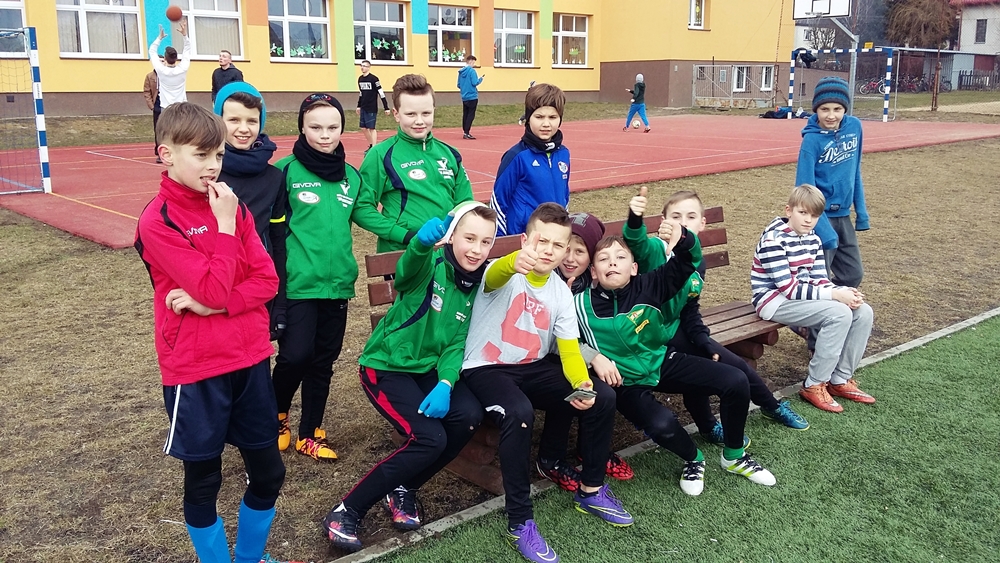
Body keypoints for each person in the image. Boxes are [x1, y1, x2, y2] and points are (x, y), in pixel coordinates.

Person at [134, 102, 284, 563]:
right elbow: (215, 284)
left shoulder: (230, 205)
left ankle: (249, 558)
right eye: (201, 155)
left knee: (269, 473)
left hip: (250, 356)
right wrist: (222, 228)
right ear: (167, 154)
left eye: (217, 155)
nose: (213, 166)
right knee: (204, 482)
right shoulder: (158, 220)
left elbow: (267, 280)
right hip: (197, 369)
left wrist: (212, 304)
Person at [461, 203, 633, 563]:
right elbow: (495, 277)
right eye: (541, 241)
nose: (549, 251)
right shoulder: (503, 268)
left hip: (532, 368)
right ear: (525, 240)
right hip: (487, 368)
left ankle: (591, 490)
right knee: (519, 413)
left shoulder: (560, 292)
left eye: (558, 245)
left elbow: (569, 350)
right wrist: (514, 261)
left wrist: (582, 383)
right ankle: (519, 522)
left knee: (602, 396)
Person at [322, 202, 498, 553]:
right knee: (430, 439)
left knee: (468, 416)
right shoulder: (431, 265)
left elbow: (456, 343)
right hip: (386, 366)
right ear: (451, 237)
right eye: (469, 238)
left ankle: (404, 488)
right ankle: (346, 510)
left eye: (486, 242)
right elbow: (405, 273)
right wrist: (419, 243)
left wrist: (446, 383)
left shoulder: (475, 285)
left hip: (427, 370)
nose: (476, 250)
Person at [622, 190, 810, 434]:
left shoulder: (697, 260)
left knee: (732, 363)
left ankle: (771, 406)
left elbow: (690, 306)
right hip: (646, 334)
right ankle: (709, 426)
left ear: (702, 223)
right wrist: (635, 218)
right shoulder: (655, 250)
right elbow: (636, 243)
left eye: (690, 217)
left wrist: (702, 339)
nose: (682, 223)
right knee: (701, 367)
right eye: (676, 217)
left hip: (676, 329)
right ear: (663, 222)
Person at [270, 93, 362, 462]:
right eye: (316, 127)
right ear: (302, 128)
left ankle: (310, 433)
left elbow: (368, 216)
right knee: (295, 357)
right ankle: (276, 416)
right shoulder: (284, 171)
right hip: (298, 285)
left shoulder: (352, 177)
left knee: (323, 361)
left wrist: (414, 235)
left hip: (337, 284)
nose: (325, 135)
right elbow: (269, 229)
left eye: (332, 127)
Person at [751, 184, 875, 413]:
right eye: (803, 213)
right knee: (839, 313)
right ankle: (814, 384)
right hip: (773, 301)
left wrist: (844, 292)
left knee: (863, 311)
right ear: (789, 210)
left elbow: (819, 280)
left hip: (799, 298)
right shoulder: (773, 240)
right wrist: (834, 295)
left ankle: (840, 379)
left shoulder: (813, 239)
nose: (808, 220)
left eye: (815, 215)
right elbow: (788, 289)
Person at [354, 74, 473, 253]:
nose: (419, 121)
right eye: (410, 114)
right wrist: (405, 235)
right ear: (396, 114)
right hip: (402, 252)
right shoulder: (380, 155)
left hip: (446, 252)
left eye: (426, 113)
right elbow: (361, 207)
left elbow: (465, 204)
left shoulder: (450, 154)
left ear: (433, 111)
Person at [795, 77, 870, 350]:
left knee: (852, 274)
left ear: (845, 109)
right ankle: (817, 343)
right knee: (821, 281)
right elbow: (804, 187)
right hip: (819, 219)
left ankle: (809, 316)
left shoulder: (855, 128)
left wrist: (861, 213)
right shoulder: (811, 141)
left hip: (844, 217)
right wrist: (823, 230)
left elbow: (855, 171)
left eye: (837, 109)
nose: (831, 115)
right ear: (815, 109)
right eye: (824, 109)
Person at [212, 82, 287, 342]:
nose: (243, 129)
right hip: (216, 285)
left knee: (257, 360)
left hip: (257, 288)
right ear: (218, 120)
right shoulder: (207, 174)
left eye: (252, 121)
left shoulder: (274, 178)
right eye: (233, 120)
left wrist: (280, 302)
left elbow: (277, 241)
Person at [489, 83, 571, 237]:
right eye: (539, 117)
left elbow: (565, 197)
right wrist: (502, 243)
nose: (546, 124)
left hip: (553, 239)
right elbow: (498, 204)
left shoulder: (563, 154)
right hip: (523, 239)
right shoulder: (516, 156)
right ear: (528, 118)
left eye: (552, 117)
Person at [149, 21, 191, 109]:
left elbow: (152, 50)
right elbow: (187, 49)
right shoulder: (183, 68)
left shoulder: (161, 70)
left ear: (164, 58)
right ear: (176, 58)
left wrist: (159, 38)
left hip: (166, 108)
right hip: (181, 107)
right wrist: (184, 35)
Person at [356, 60, 391, 153]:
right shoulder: (360, 79)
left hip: (371, 107)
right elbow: (361, 93)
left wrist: (386, 107)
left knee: (371, 128)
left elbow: (381, 93)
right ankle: (371, 144)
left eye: (364, 66)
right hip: (363, 106)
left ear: (368, 67)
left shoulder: (374, 79)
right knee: (363, 128)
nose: (362, 67)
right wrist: (358, 106)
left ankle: (374, 147)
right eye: (361, 66)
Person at [457, 55, 484, 139]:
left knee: (465, 114)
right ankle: (467, 132)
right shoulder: (472, 71)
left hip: (464, 96)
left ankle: (465, 131)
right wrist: (480, 79)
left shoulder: (461, 72)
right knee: (470, 115)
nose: (474, 64)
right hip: (472, 96)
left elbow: (458, 85)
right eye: (473, 62)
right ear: (471, 61)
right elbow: (474, 82)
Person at [143, 64, 161, 162]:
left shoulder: (169, 74)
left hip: (168, 105)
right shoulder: (150, 76)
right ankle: (159, 152)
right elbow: (147, 91)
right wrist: (151, 106)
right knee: (158, 130)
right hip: (157, 106)